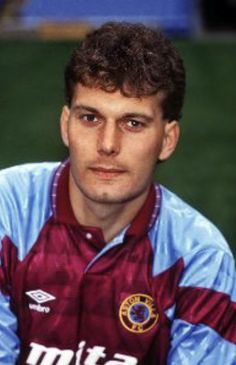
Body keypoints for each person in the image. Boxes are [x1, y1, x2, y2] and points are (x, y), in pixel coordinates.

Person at [0, 22, 235, 365]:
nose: (108, 144)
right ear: (66, 126)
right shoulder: (8, 209)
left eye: (133, 123)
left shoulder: (200, 257)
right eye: (90, 118)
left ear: (167, 140)